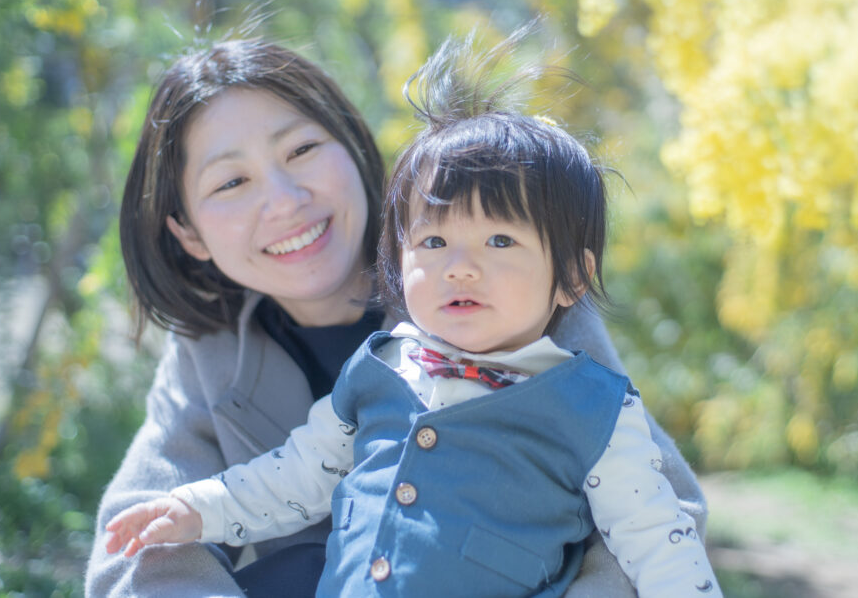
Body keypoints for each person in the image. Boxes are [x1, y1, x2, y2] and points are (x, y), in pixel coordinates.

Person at [86, 34, 710, 597]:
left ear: (354, 149)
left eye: (302, 149)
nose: (284, 200)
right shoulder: (209, 354)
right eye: (231, 182)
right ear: (189, 233)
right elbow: (139, 537)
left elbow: (659, 511)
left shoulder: (516, 298)